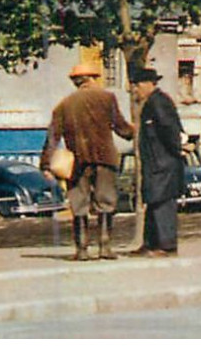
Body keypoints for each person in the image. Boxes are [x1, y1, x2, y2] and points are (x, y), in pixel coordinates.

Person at [41, 59, 134, 261]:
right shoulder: (107, 98)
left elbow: (52, 137)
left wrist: (46, 164)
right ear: (93, 78)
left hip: (77, 161)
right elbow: (121, 127)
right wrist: (135, 132)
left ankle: (81, 249)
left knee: (79, 203)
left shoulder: (64, 105)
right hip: (104, 158)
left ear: (76, 81)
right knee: (106, 201)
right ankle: (105, 247)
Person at [132, 66, 184, 256]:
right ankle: (151, 243)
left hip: (163, 163)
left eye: (136, 86)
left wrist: (177, 150)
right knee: (153, 202)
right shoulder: (152, 102)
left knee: (163, 203)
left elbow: (170, 129)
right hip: (156, 163)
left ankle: (167, 246)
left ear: (147, 84)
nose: (135, 90)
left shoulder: (158, 103)